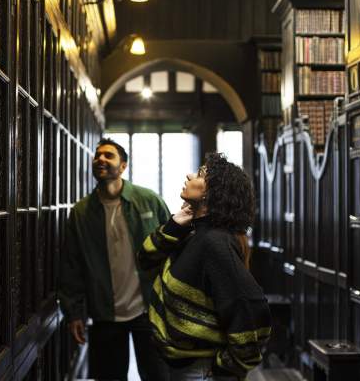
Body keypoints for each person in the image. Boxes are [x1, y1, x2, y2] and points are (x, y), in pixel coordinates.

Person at [138, 153, 272, 381]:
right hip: (183, 366)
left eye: (200, 174)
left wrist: (226, 368)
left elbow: (252, 308)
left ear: (213, 193)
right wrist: (175, 223)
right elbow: (145, 259)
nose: (189, 175)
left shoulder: (214, 242)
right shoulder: (193, 231)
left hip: (201, 371)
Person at [60, 138, 171, 381]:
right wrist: (74, 313)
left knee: (159, 375)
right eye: (97, 155)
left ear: (123, 166)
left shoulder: (148, 200)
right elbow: (71, 266)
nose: (100, 159)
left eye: (109, 155)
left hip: (149, 309)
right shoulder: (81, 212)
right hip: (104, 312)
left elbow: (175, 246)